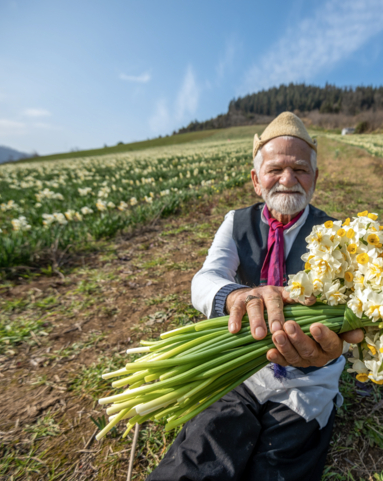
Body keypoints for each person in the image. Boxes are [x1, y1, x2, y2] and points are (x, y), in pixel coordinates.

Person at [147, 112, 365, 481]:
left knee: (280, 464)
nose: (288, 179)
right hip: (237, 367)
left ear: (315, 179)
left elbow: (352, 311)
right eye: (275, 169)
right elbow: (206, 278)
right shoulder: (237, 223)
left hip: (307, 376)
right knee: (202, 450)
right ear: (255, 179)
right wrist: (236, 298)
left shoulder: (336, 235)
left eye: (301, 170)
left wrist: (336, 349)